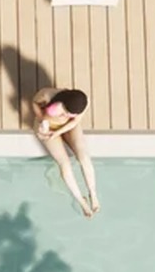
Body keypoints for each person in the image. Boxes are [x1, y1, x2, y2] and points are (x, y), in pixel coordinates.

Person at [31, 86, 102, 217]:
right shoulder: (47, 95)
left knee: (84, 157)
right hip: (48, 126)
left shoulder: (83, 103)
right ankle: (81, 200)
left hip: (68, 126)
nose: (65, 114)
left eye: (70, 113)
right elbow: (35, 102)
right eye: (65, 111)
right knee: (65, 164)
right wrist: (42, 120)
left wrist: (58, 132)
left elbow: (75, 120)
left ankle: (93, 193)